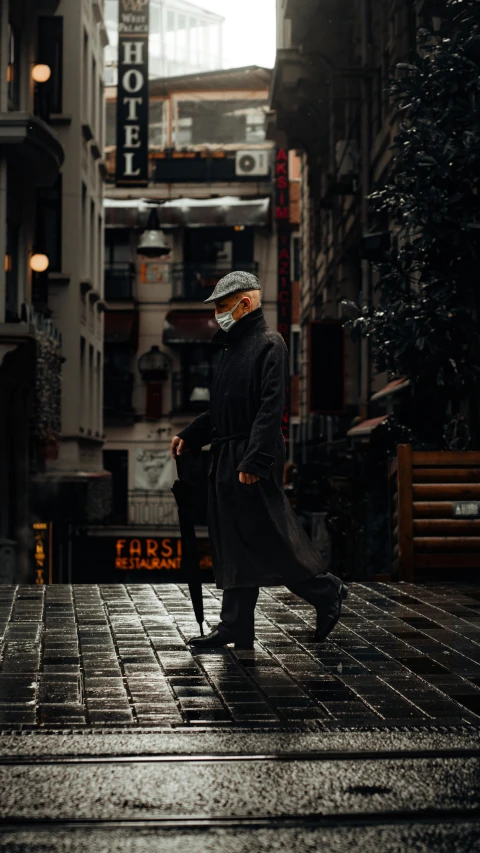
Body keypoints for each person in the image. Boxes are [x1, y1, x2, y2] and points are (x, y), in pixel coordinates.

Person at [170, 271, 348, 649]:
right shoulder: (231, 347)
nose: (217, 314)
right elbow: (220, 411)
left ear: (244, 304)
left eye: (221, 306)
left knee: (268, 536)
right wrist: (190, 437)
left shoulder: (270, 343)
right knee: (234, 540)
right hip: (228, 455)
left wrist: (255, 460)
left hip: (250, 456)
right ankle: (236, 626)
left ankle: (325, 591)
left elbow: (271, 409)